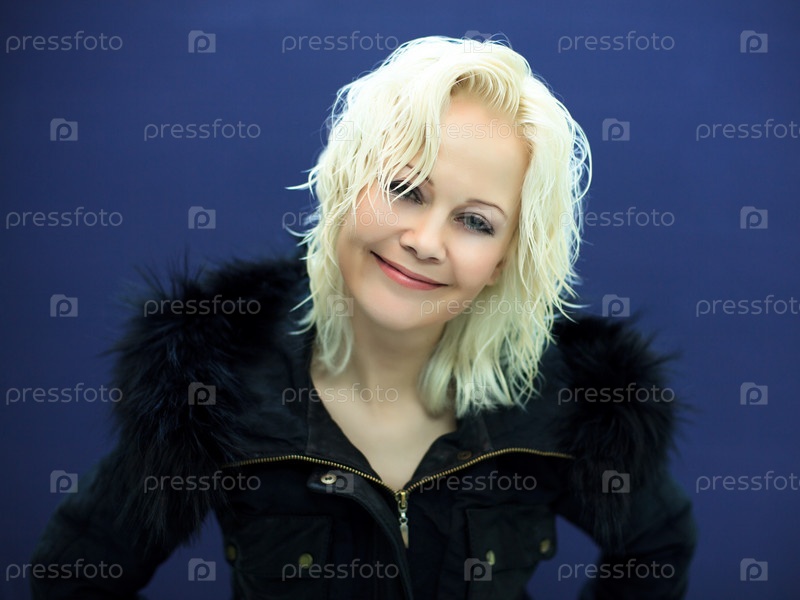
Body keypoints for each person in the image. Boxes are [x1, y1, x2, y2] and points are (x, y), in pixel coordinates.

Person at [31, 35, 697, 599]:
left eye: (475, 222)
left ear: (503, 260)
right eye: (405, 189)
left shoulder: (564, 402)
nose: (426, 241)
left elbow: (659, 543)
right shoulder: (215, 389)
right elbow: (72, 575)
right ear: (347, 182)